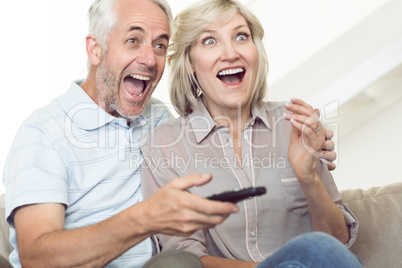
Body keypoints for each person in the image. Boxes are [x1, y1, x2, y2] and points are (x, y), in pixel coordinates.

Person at [2, 0, 240, 267]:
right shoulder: (43, 133)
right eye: (133, 40)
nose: (150, 59)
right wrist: (144, 218)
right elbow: (38, 258)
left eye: (160, 45)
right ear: (95, 50)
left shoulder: (159, 118)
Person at [140, 0, 361, 267]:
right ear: (189, 63)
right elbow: (186, 259)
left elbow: (336, 246)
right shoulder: (164, 146)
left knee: (317, 247)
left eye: (241, 37)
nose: (231, 53)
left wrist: (308, 176)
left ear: (256, 51)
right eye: (210, 41)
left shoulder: (294, 123)